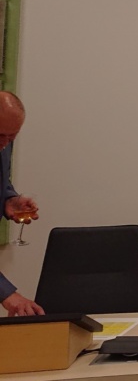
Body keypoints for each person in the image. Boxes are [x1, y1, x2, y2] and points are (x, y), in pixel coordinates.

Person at [0, 91, 43, 317]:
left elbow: (2, 179)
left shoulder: (5, 140)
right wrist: (8, 294)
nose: (4, 143)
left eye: (12, 136)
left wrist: (8, 199)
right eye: (0, 136)